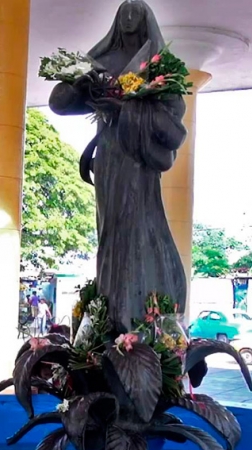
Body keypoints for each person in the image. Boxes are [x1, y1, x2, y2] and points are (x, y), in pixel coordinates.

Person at [48, 0, 187, 332]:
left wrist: (125, 109)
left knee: (138, 225)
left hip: (138, 163)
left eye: (135, 16)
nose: (128, 20)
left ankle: (140, 310)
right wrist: (80, 82)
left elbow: (173, 129)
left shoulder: (160, 67)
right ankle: (111, 311)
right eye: (123, 15)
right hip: (109, 158)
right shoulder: (99, 61)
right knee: (109, 229)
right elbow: (58, 101)